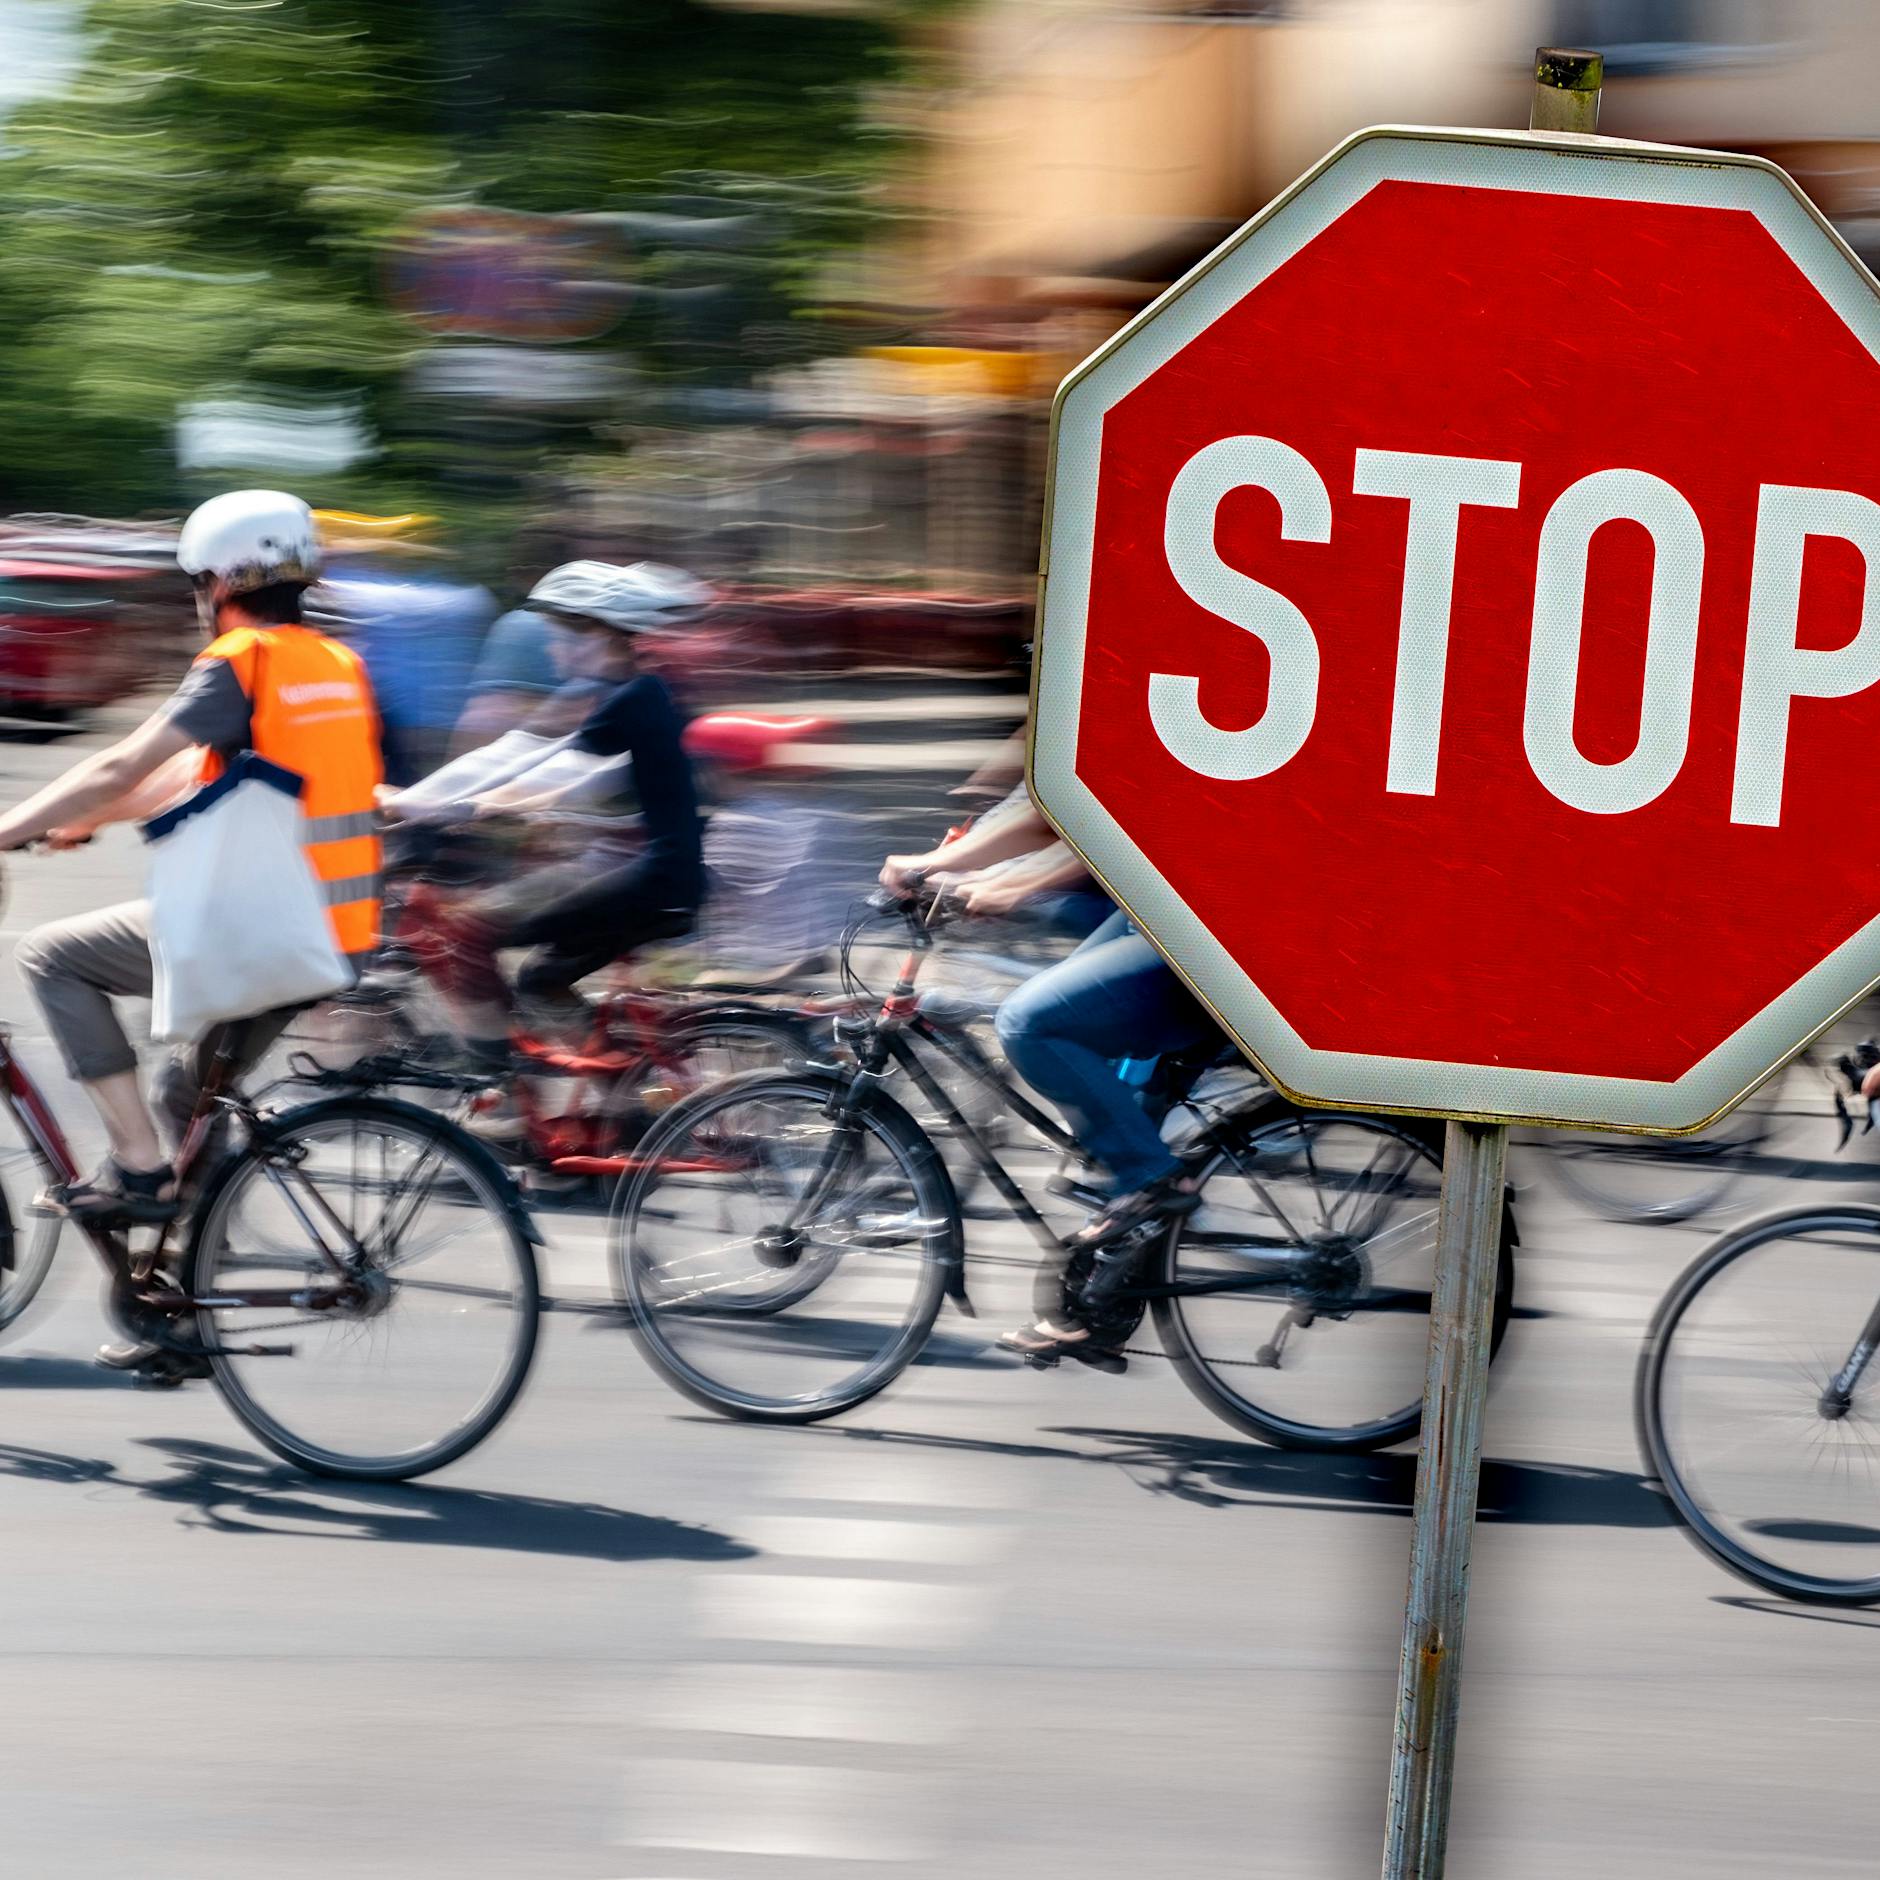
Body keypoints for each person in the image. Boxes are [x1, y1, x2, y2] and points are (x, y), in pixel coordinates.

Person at [0, 489, 382, 1368]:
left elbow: (122, 760)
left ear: (220, 579)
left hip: (266, 925)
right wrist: (81, 818)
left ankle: (136, 1169)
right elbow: (200, 776)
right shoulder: (330, 663)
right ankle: (180, 1306)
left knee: (52, 954)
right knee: (190, 1094)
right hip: (336, 932)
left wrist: (14, 824)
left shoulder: (240, 659)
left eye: (198, 580)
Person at [881, 788, 1218, 1359]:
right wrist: (1001, 882)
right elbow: (1097, 820)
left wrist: (941, 866)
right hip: (1168, 901)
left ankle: (1152, 1184)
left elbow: (1055, 814)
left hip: (1207, 917)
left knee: (1031, 1023)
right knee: (1117, 1083)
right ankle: (1106, 1296)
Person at [400, 560, 711, 1137]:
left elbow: (550, 772)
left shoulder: (630, 697)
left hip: (651, 876)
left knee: (467, 932)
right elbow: (524, 754)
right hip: (662, 875)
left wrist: (468, 806)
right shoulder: (628, 691)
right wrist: (428, 798)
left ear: (602, 633)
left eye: (563, 631)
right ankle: (623, 1101)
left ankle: (502, 1099)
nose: (552, 644)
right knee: (540, 978)